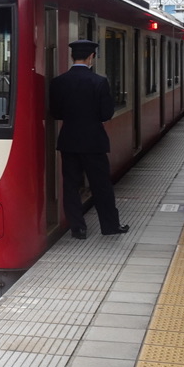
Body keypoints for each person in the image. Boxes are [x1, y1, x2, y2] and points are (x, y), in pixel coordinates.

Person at [49, 39, 129, 239]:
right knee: (101, 185)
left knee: (70, 186)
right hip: (94, 142)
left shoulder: (59, 82)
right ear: (91, 56)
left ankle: (78, 228)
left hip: (69, 141)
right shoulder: (99, 82)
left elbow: (56, 112)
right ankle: (110, 226)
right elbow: (106, 114)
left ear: (72, 57)